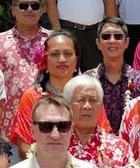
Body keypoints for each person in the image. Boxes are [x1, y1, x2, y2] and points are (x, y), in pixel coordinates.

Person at [0, 0, 51, 142]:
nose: (29, 9)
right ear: (13, 10)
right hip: (7, 130)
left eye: (35, 6)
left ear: (41, 10)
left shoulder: (53, 41)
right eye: (23, 6)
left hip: (48, 127)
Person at [8, 29, 84, 157]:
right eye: (55, 54)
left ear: (76, 59)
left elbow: (102, 136)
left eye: (67, 54)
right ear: (44, 60)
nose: (62, 59)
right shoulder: (32, 97)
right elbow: (24, 147)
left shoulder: (88, 96)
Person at [90, 17, 140, 130]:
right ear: (98, 43)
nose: (112, 40)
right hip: (97, 139)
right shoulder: (87, 80)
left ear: (126, 42)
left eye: (118, 36)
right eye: (106, 36)